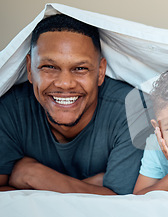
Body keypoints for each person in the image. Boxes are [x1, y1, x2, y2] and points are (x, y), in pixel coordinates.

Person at [0, 14, 144, 195]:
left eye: (80, 68)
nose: (65, 83)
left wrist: (36, 176)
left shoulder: (133, 109)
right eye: (49, 67)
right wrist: (95, 186)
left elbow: (123, 204)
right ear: (29, 69)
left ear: (100, 72)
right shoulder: (10, 110)